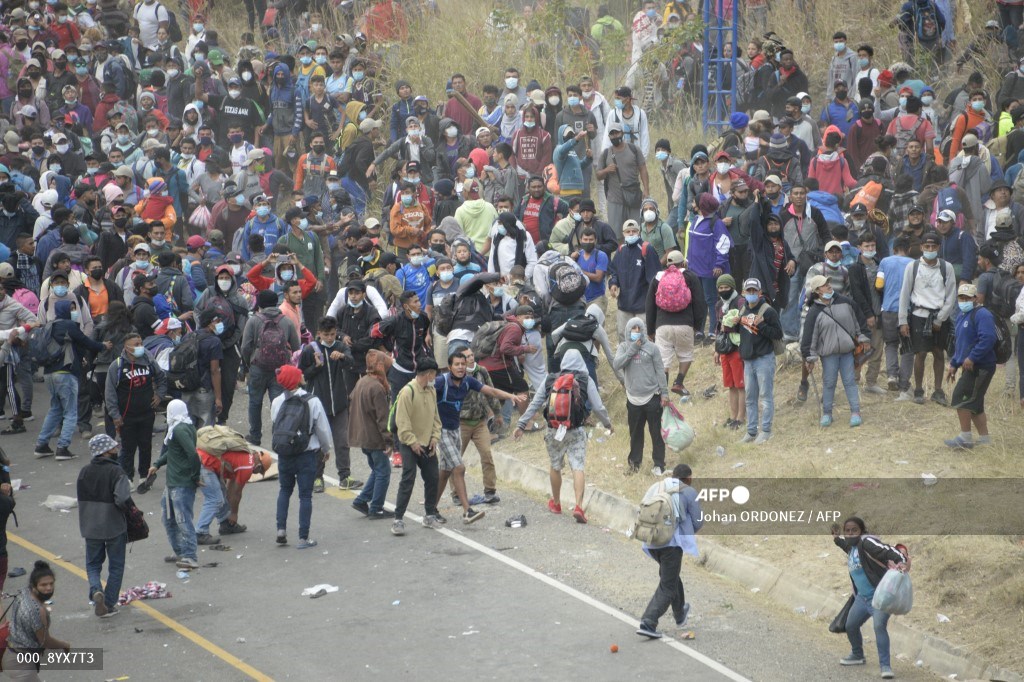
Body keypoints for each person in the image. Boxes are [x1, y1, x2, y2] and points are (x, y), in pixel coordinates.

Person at [513, 350, 613, 524]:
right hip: (576, 430)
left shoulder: (551, 379)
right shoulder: (585, 379)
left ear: (563, 362)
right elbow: (598, 406)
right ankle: (579, 506)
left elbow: (536, 402)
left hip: (554, 430)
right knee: (578, 466)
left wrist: (521, 424)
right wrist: (608, 424)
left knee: (555, 465)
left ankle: (557, 503)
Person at [433, 350, 523, 524]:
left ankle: (431, 510)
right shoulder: (440, 382)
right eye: (457, 364)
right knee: (459, 467)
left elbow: (492, 391)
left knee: (444, 472)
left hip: (455, 430)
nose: (460, 367)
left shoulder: (469, 381)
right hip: (442, 431)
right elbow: (420, 389)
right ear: (450, 367)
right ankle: (468, 511)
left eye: (463, 364)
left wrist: (511, 396)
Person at [832, 517, 908, 680]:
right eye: (848, 531)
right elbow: (846, 546)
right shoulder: (853, 548)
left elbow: (888, 550)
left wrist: (901, 561)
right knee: (850, 625)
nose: (851, 534)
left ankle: (885, 666)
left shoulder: (867, 543)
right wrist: (837, 539)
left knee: (879, 626)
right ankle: (857, 655)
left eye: (854, 530)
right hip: (862, 599)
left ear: (862, 531)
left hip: (879, 597)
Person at [34, 299, 109, 461]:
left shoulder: (51, 325)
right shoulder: (68, 325)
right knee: (70, 412)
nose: (75, 311)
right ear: (65, 310)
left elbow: (73, 346)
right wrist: (103, 346)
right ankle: (62, 448)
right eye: (72, 308)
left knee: (55, 409)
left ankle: (41, 445)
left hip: (49, 373)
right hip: (65, 373)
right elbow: (86, 342)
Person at [635, 463, 702, 640]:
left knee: (671, 576)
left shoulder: (656, 486)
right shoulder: (689, 491)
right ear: (689, 478)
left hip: (651, 541)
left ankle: (680, 613)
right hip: (671, 545)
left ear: (672, 475)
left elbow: (641, 508)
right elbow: (698, 522)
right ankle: (648, 621)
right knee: (668, 584)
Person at [271, 365, 333, 550]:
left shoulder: (277, 401)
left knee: (284, 490)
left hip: (285, 454)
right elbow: (321, 428)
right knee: (305, 496)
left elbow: (276, 425)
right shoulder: (312, 401)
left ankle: (281, 529)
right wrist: (326, 448)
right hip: (306, 453)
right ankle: (303, 537)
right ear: (297, 379)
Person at [298, 316, 361, 493]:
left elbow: (351, 363)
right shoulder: (310, 350)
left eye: (333, 334)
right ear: (318, 334)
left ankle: (345, 476)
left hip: (340, 404)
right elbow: (302, 376)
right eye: (326, 335)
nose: (330, 338)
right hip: (318, 406)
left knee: (342, 441)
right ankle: (317, 478)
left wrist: (342, 357)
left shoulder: (341, 347)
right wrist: (316, 367)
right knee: (318, 443)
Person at [802, 274, 870, 427]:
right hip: (829, 355)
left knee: (850, 382)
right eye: (824, 285)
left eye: (828, 283)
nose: (828, 286)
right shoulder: (814, 312)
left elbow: (858, 321)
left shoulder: (846, 302)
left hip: (847, 352)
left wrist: (864, 337)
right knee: (829, 383)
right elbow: (810, 336)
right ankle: (827, 414)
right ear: (817, 291)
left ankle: (855, 412)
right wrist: (809, 357)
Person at [897, 232, 957, 405]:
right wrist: (902, 320)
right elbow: (904, 294)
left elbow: (951, 296)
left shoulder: (947, 267)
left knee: (939, 352)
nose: (930, 249)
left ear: (938, 248)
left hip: (939, 315)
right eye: (927, 246)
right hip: (919, 315)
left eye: (933, 246)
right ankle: (918, 389)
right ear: (922, 247)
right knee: (920, 353)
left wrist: (940, 319)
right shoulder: (913, 267)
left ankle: (938, 391)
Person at [77, 433, 130, 619]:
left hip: (90, 526)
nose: (117, 450)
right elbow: (123, 499)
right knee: (116, 565)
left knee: (92, 564)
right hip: (113, 525)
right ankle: (108, 603)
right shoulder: (117, 472)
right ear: (106, 451)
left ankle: (96, 590)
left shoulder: (84, 471)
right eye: (114, 447)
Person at [390, 359, 443, 536]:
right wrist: (412, 442)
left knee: (433, 477)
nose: (435, 378)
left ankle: (429, 515)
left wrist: (435, 437)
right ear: (428, 374)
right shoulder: (408, 392)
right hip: (409, 444)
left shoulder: (432, 391)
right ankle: (398, 519)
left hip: (427, 443)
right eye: (434, 374)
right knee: (408, 478)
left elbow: (436, 418)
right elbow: (402, 422)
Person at [104, 333, 166, 482]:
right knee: (128, 448)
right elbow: (110, 392)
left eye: (140, 343)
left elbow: (161, 378)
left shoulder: (149, 360)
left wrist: (159, 396)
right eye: (136, 345)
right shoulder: (117, 366)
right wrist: (115, 415)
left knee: (146, 446)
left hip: (147, 413)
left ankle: (144, 476)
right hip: (126, 416)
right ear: (127, 347)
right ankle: (128, 478)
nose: (140, 347)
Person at [148, 399, 201, 570]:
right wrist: (157, 464)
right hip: (173, 483)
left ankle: (190, 556)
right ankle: (180, 551)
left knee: (182, 519)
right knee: (169, 518)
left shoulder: (179, 429)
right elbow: (173, 452)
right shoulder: (183, 426)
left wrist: (194, 476)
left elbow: (192, 455)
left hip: (181, 483)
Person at [645, 250, 706, 397]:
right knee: (685, 355)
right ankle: (678, 382)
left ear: (667, 264)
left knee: (663, 360)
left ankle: (663, 392)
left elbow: (649, 305)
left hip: (662, 326)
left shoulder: (658, 278)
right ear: (683, 263)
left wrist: (650, 330)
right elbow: (700, 302)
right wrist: (698, 326)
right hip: (685, 324)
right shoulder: (690, 276)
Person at [614, 317, 669, 476]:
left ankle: (659, 464)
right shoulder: (624, 347)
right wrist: (632, 350)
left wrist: (664, 393)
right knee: (635, 434)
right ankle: (634, 464)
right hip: (633, 399)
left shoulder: (652, 348)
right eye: (633, 329)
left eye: (639, 329)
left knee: (656, 433)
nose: (636, 332)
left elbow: (660, 371)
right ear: (628, 331)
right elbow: (617, 364)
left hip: (652, 396)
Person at [944, 283, 996, 449]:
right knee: (976, 404)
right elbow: (962, 344)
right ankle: (984, 439)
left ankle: (965, 438)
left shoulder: (982, 314)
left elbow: (988, 338)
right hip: (970, 365)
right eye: (961, 297)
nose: (964, 300)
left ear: (975, 298)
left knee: (961, 397)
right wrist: (954, 363)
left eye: (968, 297)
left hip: (980, 366)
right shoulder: (961, 315)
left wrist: (973, 357)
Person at [736, 278, 784, 443]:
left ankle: (766, 430)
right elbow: (743, 334)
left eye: (754, 291)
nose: (751, 294)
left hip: (764, 359)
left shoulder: (768, 311)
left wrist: (762, 325)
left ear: (760, 292)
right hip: (748, 360)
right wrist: (733, 324)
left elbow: (778, 334)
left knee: (765, 396)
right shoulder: (742, 310)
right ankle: (751, 431)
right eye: (748, 291)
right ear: (743, 293)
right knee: (750, 397)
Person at [1, 561, 72, 674]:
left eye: (51, 583)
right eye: (43, 585)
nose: (49, 588)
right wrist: (65, 645)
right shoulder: (37, 610)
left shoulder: (25, 593)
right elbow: (45, 641)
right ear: (34, 585)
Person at [349, 349, 394, 519]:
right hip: (374, 438)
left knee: (377, 470)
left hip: (362, 436)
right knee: (383, 472)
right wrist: (389, 442)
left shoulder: (362, 382)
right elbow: (383, 418)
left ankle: (362, 500)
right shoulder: (377, 388)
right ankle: (376, 507)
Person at [595, 121, 649, 238]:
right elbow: (598, 175)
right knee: (616, 235)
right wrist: (606, 170)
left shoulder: (634, 149)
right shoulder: (605, 154)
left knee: (636, 231)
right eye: (612, 134)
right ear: (609, 136)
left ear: (622, 133)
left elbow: (643, 169)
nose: (615, 136)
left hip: (633, 197)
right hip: (615, 199)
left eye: (617, 133)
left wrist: (646, 189)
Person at [610, 219, 662, 341]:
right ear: (623, 233)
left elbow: (655, 279)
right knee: (624, 337)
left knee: (644, 339)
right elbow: (614, 271)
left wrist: (652, 304)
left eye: (634, 231)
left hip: (642, 306)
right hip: (624, 305)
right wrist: (613, 283)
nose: (631, 234)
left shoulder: (646, 249)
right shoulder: (621, 250)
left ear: (639, 232)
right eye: (628, 231)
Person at [182, 308, 225, 427]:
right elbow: (215, 371)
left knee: (188, 426)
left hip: (186, 389)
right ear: (209, 323)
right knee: (206, 431)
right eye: (218, 321)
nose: (220, 324)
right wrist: (218, 398)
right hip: (204, 390)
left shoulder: (188, 337)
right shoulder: (214, 342)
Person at [714, 274, 746, 429]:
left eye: (726, 287)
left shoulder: (740, 301)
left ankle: (741, 417)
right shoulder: (719, 305)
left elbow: (744, 323)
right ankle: (732, 416)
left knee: (740, 384)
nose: (723, 290)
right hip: (725, 349)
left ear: (732, 287)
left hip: (737, 348)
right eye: (720, 288)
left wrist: (727, 327)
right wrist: (716, 350)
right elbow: (717, 327)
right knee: (730, 384)